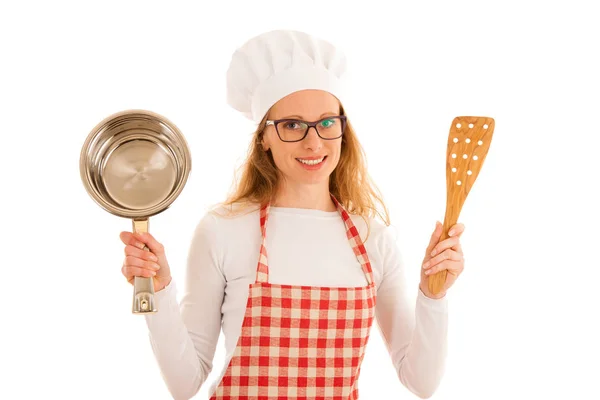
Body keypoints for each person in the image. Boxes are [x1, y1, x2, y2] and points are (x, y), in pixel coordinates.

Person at [120, 29, 466, 400]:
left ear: (343, 131)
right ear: (263, 138)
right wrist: (158, 290)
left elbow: (421, 382)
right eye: (292, 125)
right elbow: (184, 383)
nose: (313, 142)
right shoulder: (222, 231)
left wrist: (434, 296)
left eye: (327, 123)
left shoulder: (374, 240)